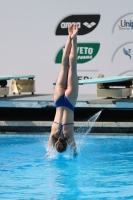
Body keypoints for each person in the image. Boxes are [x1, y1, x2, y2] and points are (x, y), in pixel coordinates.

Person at [48, 23, 78, 157]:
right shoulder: (54, 133)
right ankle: (68, 37)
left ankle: (75, 39)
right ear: (56, 144)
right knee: (64, 65)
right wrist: (49, 153)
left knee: (73, 67)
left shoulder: (69, 136)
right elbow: (49, 148)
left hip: (70, 102)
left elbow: (75, 151)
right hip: (59, 100)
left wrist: (75, 153)